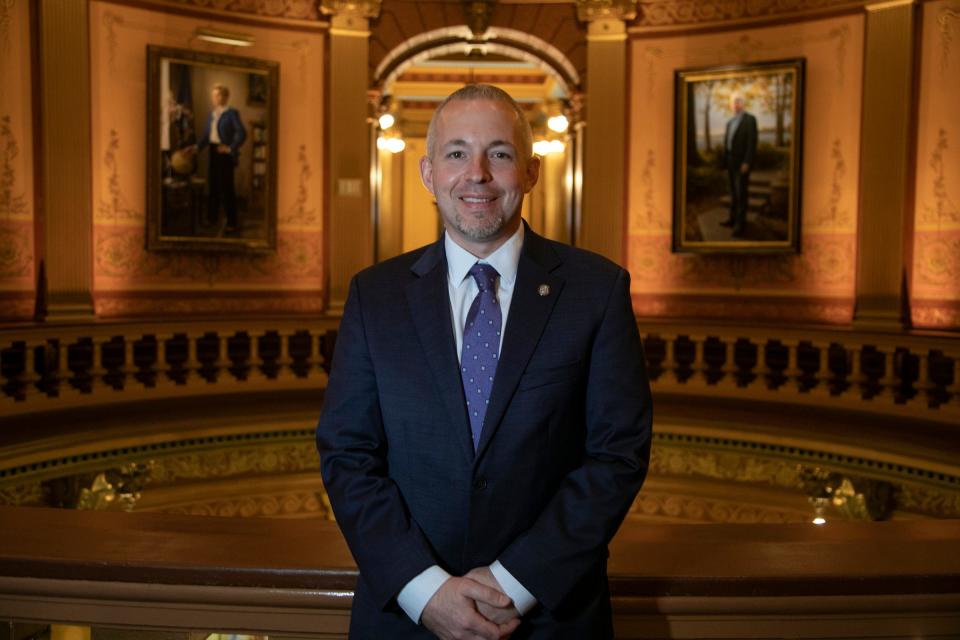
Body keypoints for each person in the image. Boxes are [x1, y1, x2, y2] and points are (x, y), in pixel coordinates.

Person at [316, 84, 652, 639]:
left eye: (499, 153)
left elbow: (617, 456)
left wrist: (513, 584)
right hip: (406, 620)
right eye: (456, 153)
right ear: (428, 175)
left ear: (531, 171)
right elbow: (348, 455)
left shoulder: (598, 291)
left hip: (549, 617)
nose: (477, 174)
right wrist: (425, 590)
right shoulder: (374, 295)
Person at [190, 84, 246, 232]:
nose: (215, 98)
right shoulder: (212, 114)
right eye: (214, 95)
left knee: (227, 188)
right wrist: (196, 147)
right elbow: (206, 136)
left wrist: (230, 148)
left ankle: (232, 223)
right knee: (213, 187)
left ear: (226, 97)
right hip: (213, 152)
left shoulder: (232, 113)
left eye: (219, 95)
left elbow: (242, 133)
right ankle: (212, 218)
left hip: (224, 154)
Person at [720, 93, 758, 237]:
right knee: (733, 193)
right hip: (730, 162)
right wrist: (724, 162)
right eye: (733, 102)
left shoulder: (750, 120)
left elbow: (752, 143)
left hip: (742, 164)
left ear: (743, 104)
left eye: (738, 102)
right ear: (731, 105)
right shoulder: (730, 122)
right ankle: (732, 219)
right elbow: (727, 143)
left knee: (741, 193)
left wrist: (747, 162)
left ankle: (740, 225)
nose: (736, 105)